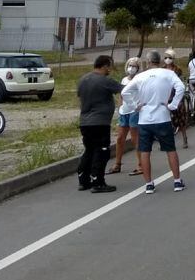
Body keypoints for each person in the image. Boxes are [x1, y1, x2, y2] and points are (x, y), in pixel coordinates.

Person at [121, 50, 186, 193]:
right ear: (160, 61)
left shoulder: (140, 76)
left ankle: (149, 184)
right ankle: (177, 181)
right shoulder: (168, 74)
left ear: (148, 61)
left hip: (144, 119)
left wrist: (134, 106)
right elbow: (181, 87)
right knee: (170, 149)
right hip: (163, 117)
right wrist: (173, 105)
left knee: (144, 151)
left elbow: (124, 92)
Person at [76, 54, 123, 193]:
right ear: (104, 66)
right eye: (109, 67)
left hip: (85, 121)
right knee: (101, 151)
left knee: (89, 150)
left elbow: (79, 96)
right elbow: (123, 88)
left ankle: (83, 180)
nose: (110, 70)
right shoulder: (104, 81)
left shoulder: (83, 80)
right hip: (100, 122)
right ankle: (98, 181)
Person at [108, 56, 142, 177]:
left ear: (138, 68)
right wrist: (119, 108)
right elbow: (121, 96)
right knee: (120, 138)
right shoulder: (124, 80)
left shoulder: (140, 80)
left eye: (134, 66)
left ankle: (140, 165)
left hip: (134, 111)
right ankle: (117, 164)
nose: (131, 68)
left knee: (134, 139)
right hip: (124, 111)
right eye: (130, 65)